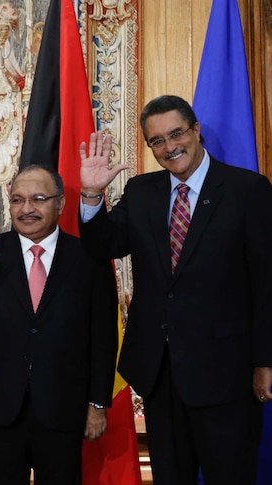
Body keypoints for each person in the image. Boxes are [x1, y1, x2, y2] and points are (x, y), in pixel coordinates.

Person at [78, 94, 272, 484]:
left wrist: (264, 361)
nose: (169, 147)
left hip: (227, 374)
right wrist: (91, 196)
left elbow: (266, 281)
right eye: (157, 141)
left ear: (196, 131)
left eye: (176, 134)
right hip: (160, 372)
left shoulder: (247, 189)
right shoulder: (141, 190)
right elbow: (104, 246)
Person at [0, 164, 117, 483]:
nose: (26, 209)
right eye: (17, 200)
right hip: (2, 406)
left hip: (64, 406)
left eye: (38, 199)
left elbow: (103, 336)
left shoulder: (89, 258)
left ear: (60, 204)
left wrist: (97, 403)